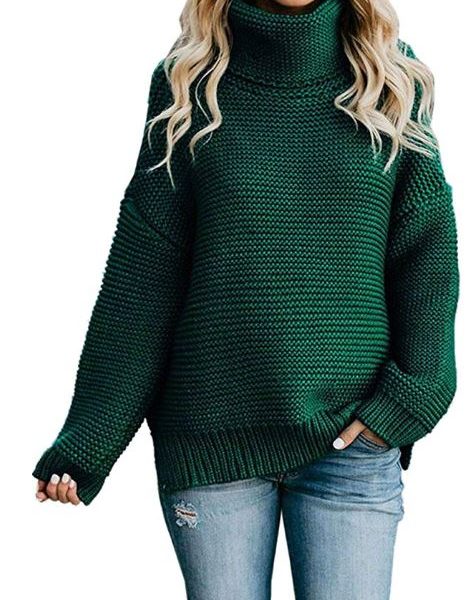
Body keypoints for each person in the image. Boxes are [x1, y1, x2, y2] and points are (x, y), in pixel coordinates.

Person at [32, 0, 460, 597]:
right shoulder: (191, 84)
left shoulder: (389, 79)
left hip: (350, 441)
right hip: (211, 441)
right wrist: (88, 439)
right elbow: (145, 274)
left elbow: (425, 254)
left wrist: (410, 398)